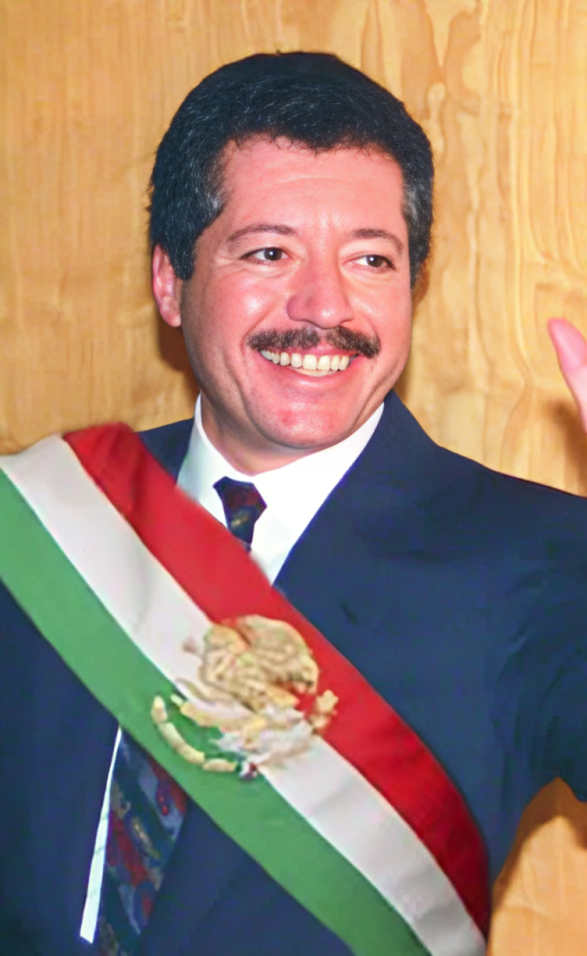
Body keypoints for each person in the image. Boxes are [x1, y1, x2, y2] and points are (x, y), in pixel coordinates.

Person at [1, 51, 586, 956]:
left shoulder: (540, 556)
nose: (324, 306)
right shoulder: (46, 515)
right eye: (269, 253)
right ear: (170, 281)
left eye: (370, 259)